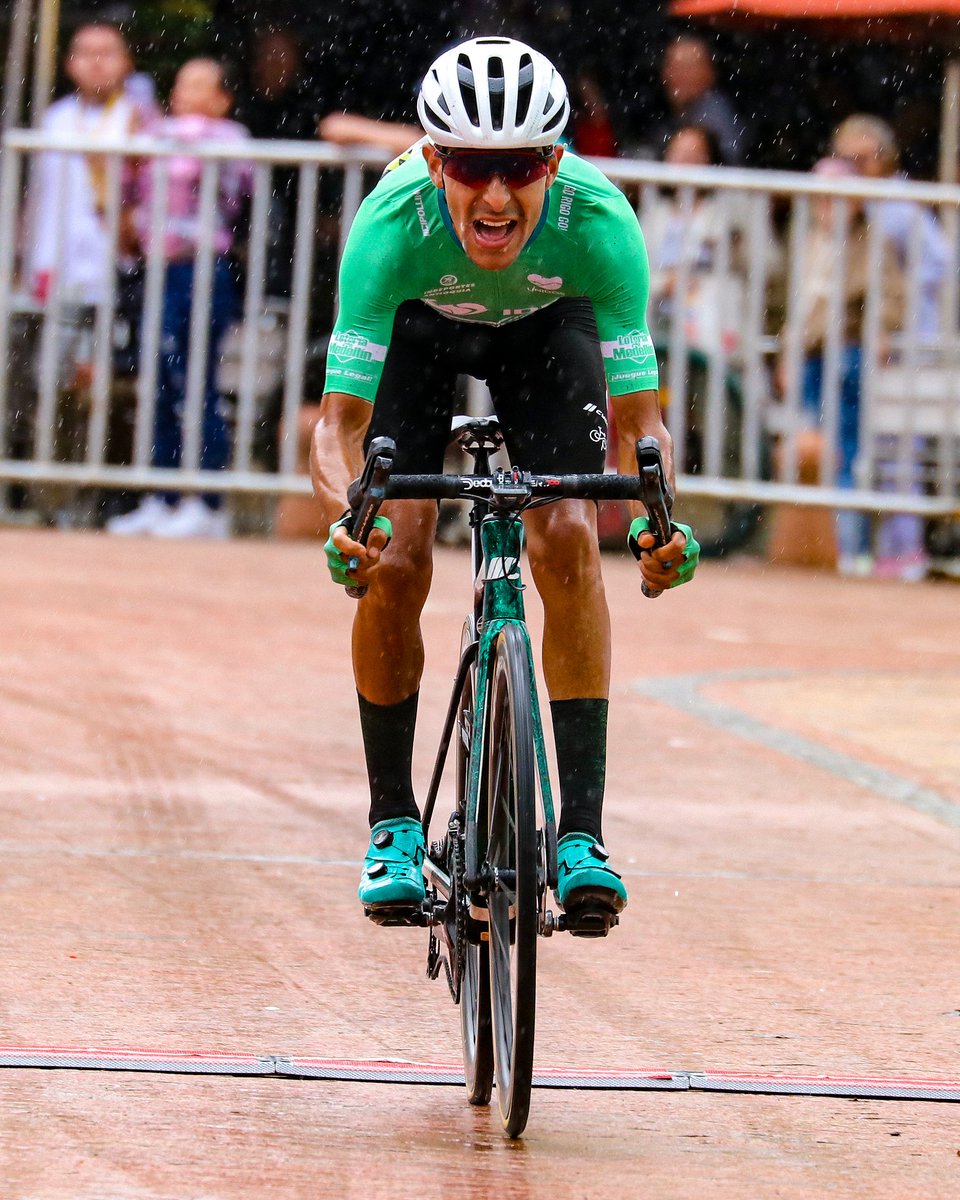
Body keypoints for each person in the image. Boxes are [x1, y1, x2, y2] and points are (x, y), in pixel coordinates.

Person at [311, 37, 700, 923]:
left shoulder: (598, 223)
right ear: (436, 159)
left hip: (545, 329)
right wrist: (347, 517)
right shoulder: (391, 224)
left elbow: (642, 428)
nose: (494, 194)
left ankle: (581, 834)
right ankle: (391, 824)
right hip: (419, 328)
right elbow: (336, 425)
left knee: (564, 534)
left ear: (556, 161)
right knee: (398, 554)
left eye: (520, 166)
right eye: (472, 166)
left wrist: (658, 519)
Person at [107, 58, 253, 538]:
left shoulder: (229, 137)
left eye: (198, 85)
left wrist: (149, 132)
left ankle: (206, 501)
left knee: (196, 381)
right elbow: (125, 180)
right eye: (180, 83)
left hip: (202, 268)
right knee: (159, 382)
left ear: (222, 98)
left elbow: (237, 176)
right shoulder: (155, 133)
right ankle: (163, 495)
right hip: (157, 268)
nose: (185, 93)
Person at [775, 157, 905, 575]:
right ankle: (817, 548)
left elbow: (889, 299)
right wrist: (788, 352)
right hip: (811, 357)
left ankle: (850, 550)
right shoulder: (807, 240)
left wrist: (878, 328)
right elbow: (794, 308)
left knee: (844, 456)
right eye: (821, 199)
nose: (826, 206)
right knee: (810, 453)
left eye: (834, 198)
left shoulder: (869, 242)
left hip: (844, 355)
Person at [831, 114, 948, 581]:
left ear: (884, 157)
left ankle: (905, 552)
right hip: (869, 348)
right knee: (867, 450)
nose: (855, 168)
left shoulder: (904, 208)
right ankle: (864, 549)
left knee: (902, 450)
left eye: (862, 158)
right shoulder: (860, 207)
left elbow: (938, 269)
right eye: (847, 159)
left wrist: (895, 317)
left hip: (907, 346)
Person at [658, 34, 747, 166]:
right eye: (671, 66)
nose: (675, 75)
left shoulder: (715, 115)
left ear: (709, 73)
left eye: (687, 68)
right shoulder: (673, 112)